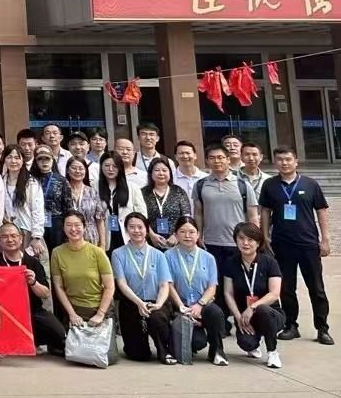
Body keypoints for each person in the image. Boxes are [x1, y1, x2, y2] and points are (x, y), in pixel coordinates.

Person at [257, 146, 331, 344]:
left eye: (288, 159)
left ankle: (322, 328)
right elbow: (265, 211)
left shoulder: (310, 184)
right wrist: (265, 236)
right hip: (282, 244)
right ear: (275, 162)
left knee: (316, 287)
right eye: (280, 159)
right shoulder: (270, 185)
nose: (284, 163)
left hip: (308, 243)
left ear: (296, 161)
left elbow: (321, 211)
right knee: (286, 288)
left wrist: (325, 239)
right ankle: (291, 325)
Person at [0, 221, 67, 356]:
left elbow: (45, 293)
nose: (10, 240)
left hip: (32, 310)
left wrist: (33, 282)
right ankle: (9, 342)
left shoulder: (33, 262)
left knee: (58, 334)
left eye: (13, 236)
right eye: (5, 237)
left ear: (21, 239)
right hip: (4, 312)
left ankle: (33, 342)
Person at [110, 213, 176, 362]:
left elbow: (164, 284)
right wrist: (139, 303)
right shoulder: (118, 254)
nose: (136, 231)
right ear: (126, 230)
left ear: (146, 229)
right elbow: (122, 284)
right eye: (132, 227)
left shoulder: (158, 255)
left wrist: (159, 304)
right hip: (132, 303)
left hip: (155, 302)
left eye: (140, 227)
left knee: (156, 318)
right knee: (138, 355)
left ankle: (165, 350)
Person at [194, 143, 259, 292]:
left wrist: (254, 241)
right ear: (207, 161)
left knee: (240, 284)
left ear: (228, 159)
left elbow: (253, 216)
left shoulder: (243, 185)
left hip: (238, 243)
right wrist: (199, 235)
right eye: (212, 158)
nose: (217, 161)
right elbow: (198, 213)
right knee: (215, 283)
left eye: (220, 157)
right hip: (211, 242)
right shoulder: (200, 185)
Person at [51, 210, 116, 355]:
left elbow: (110, 286)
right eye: (69, 225)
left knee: (106, 355)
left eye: (77, 225)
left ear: (84, 227)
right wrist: (72, 314)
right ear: (63, 228)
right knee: (73, 353)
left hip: (99, 308)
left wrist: (100, 314)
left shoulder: (97, 252)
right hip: (74, 309)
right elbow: (59, 287)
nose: (73, 229)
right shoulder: (57, 253)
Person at [221, 222, 285, 369]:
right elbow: (228, 293)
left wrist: (253, 307)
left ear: (258, 242)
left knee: (263, 310)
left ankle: (272, 352)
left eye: (250, 239)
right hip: (245, 315)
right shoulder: (231, 263)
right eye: (241, 238)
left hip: (271, 313)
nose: (245, 243)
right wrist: (238, 317)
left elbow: (274, 294)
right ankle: (256, 340)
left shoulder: (269, 262)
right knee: (247, 344)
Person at [166, 217, 227, 365]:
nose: (187, 236)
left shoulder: (208, 257)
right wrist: (182, 307)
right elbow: (169, 285)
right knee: (197, 342)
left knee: (216, 312)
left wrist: (199, 305)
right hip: (179, 307)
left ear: (198, 234)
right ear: (176, 234)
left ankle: (217, 351)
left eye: (191, 232)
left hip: (202, 305)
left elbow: (212, 287)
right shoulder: (167, 256)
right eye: (182, 232)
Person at [0, 145, 46, 257]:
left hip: (27, 231)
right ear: (4, 159)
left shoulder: (31, 182)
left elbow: (37, 210)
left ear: (23, 160)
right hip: (8, 233)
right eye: (9, 157)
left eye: (17, 158)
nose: (13, 161)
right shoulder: (0, 181)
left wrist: (37, 237)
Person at [97, 150, 144, 251]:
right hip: (105, 239)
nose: (110, 169)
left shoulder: (132, 188)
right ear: (101, 167)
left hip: (127, 237)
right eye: (107, 165)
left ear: (120, 167)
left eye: (114, 166)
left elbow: (142, 214)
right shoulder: (94, 188)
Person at [59, 146, 106, 247]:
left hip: (90, 238)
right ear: (67, 170)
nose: (77, 171)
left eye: (81, 168)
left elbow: (100, 219)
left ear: (86, 171)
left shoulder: (92, 192)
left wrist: (102, 244)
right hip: (68, 239)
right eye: (74, 168)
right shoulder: (61, 191)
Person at [140, 158, 190, 251]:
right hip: (150, 243)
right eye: (157, 170)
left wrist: (176, 235)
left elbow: (186, 216)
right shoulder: (143, 193)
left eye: (164, 170)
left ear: (170, 173)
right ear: (150, 173)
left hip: (176, 243)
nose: (161, 173)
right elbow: (140, 217)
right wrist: (151, 235)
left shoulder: (178, 191)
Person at [35, 147, 68, 251]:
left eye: (47, 159)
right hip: (37, 222)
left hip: (56, 223)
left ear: (52, 160)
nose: (44, 162)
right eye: (40, 159)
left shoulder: (61, 180)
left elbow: (68, 205)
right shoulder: (31, 180)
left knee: (56, 252)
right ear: (36, 162)